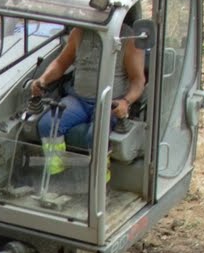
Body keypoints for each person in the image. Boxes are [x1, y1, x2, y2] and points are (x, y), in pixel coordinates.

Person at [27, 9, 148, 175]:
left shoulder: (129, 40)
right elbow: (61, 63)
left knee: (96, 134)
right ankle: (57, 173)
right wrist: (43, 80)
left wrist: (126, 102)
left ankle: (99, 182)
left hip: (110, 103)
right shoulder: (79, 33)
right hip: (79, 99)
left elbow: (138, 80)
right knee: (48, 124)